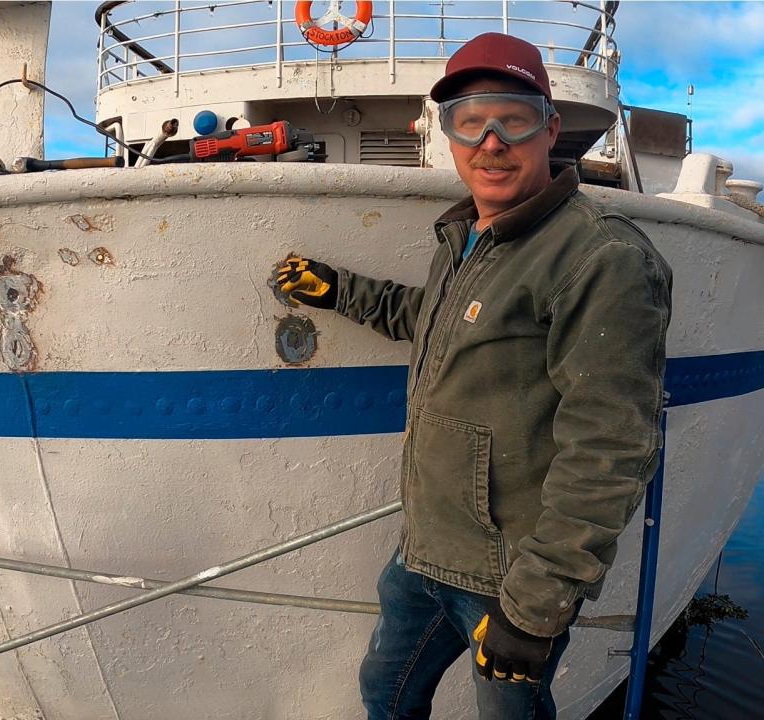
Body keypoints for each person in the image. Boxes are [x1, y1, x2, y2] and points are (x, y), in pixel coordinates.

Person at [275, 32, 672, 720]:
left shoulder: (599, 259)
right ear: (448, 134)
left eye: (512, 117)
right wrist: (337, 290)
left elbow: (610, 449)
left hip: (509, 582)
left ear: (551, 129)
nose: (491, 140)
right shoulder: (466, 238)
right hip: (424, 555)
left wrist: (537, 608)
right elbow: (432, 319)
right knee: (385, 693)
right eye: (469, 119)